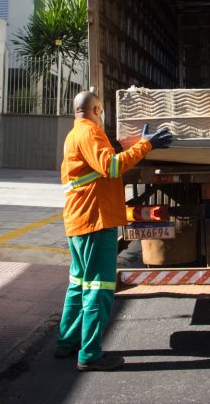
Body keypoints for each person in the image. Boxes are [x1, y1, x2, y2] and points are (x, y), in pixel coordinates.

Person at [56, 90, 173, 371]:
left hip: (80, 221)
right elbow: (111, 165)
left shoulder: (75, 134)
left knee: (79, 284)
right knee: (99, 287)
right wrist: (146, 146)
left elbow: (103, 161)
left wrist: (138, 143)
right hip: (96, 220)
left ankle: (67, 342)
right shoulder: (90, 133)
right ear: (97, 110)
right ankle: (90, 355)